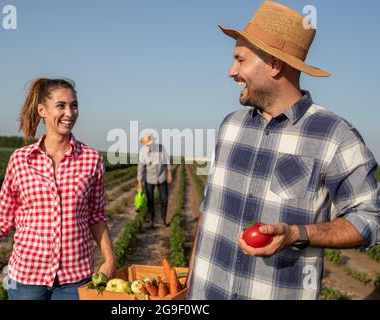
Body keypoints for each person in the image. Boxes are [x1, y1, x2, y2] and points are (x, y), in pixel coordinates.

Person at [187, 1, 380, 300]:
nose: (231, 71)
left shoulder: (334, 136)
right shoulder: (230, 127)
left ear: (275, 64)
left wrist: (296, 234)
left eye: (240, 60)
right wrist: (191, 281)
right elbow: (209, 210)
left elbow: (370, 219)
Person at [0, 78, 116, 300]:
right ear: (42, 110)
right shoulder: (20, 160)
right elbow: (0, 219)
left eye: (74, 105)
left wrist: (110, 259)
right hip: (26, 279)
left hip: (75, 278)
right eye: (61, 105)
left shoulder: (91, 159)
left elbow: (96, 216)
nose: (70, 113)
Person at [137, 134, 173, 228]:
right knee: (150, 200)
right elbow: (140, 168)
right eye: (147, 144)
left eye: (150, 143)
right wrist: (139, 184)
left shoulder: (161, 148)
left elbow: (167, 161)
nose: (149, 145)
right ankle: (151, 222)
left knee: (164, 199)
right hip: (149, 178)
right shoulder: (143, 152)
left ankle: (163, 221)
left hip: (162, 176)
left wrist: (169, 173)